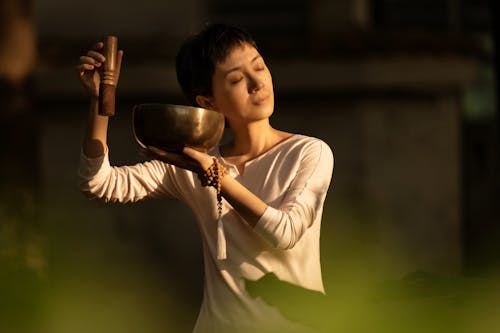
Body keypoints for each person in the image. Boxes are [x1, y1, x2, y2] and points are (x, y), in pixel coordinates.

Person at [76, 23, 334, 333]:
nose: (256, 83)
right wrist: (99, 102)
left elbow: (285, 232)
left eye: (259, 67)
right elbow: (99, 183)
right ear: (208, 102)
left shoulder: (308, 152)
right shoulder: (193, 163)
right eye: (237, 79)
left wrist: (214, 176)